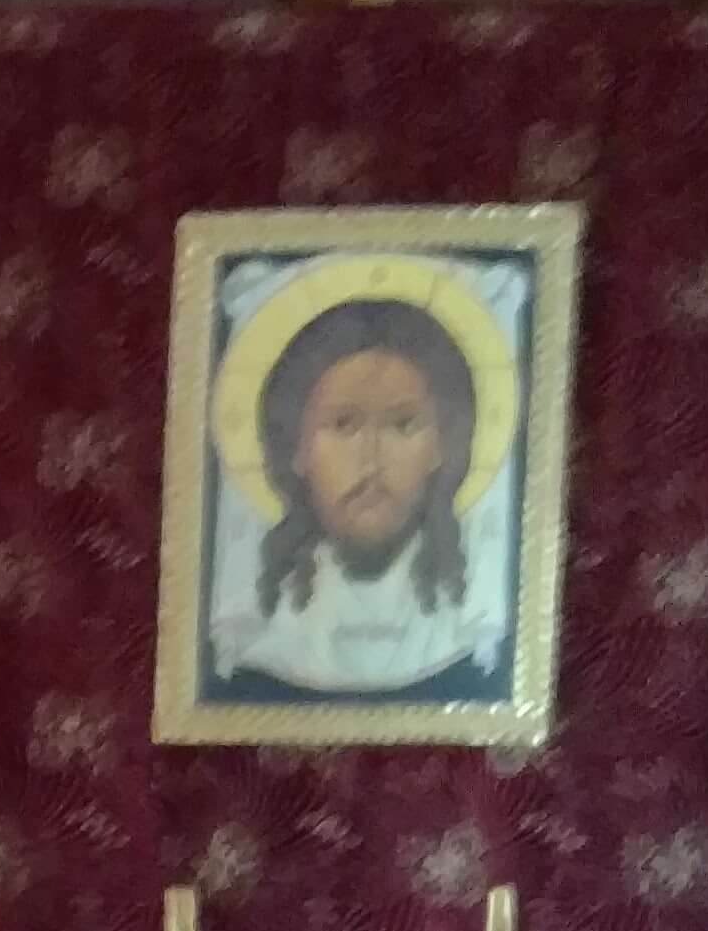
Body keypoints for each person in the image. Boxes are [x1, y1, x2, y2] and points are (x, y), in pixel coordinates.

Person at [205, 294, 505, 704]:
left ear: (440, 446)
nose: (371, 458)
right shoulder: (260, 642)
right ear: (297, 446)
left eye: (403, 424)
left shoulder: (470, 634)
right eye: (343, 423)